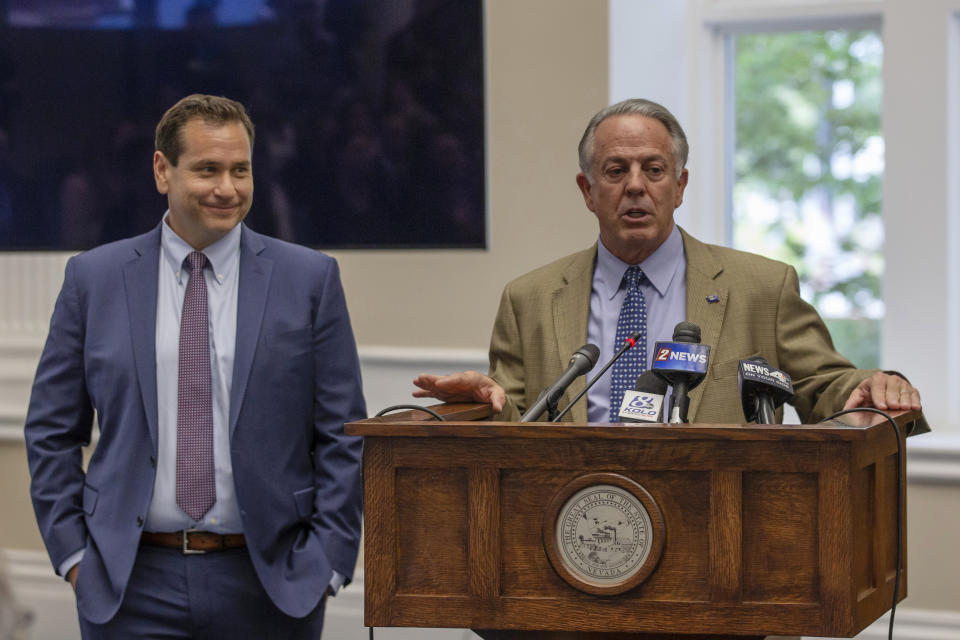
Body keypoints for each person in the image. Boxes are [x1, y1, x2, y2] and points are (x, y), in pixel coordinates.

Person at [24, 94, 365, 638]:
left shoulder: (309, 280)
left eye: (240, 170)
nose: (227, 188)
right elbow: (50, 429)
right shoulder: (94, 279)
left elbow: (343, 433)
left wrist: (327, 560)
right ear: (163, 170)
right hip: (128, 584)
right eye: (207, 169)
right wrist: (73, 556)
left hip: (271, 582)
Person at [414, 98, 927, 431]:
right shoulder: (528, 298)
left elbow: (821, 386)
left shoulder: (761, 287)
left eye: (654, 169)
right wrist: (486, 403)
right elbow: (517, 414)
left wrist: (865, 390)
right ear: (587, 191)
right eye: (616, 170)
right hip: (574, 525)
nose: (635, 185)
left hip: (715, 527)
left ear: (679, 186)